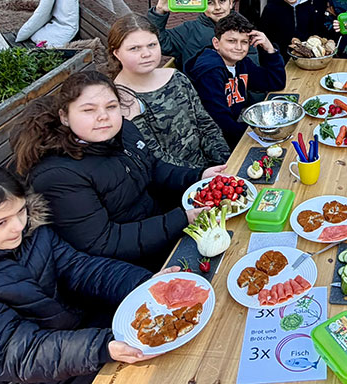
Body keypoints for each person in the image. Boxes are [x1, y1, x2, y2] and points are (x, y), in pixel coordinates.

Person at [0, 163, 160, 384]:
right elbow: (12, 355)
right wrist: (101, 346)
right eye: (0, 222)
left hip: (66, 343)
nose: (18, 226)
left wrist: (145, 283)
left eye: (20, 211)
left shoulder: (29, 233)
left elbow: (81, 269)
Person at [13, 71, 225, 269]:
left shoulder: (125, 130)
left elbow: (153, 168)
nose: (103, 116)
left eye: (111, 106)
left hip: (164, 233)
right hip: (131, 266)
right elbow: (103, 241)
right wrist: (181, 219)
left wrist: (199, 176)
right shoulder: (57, 175)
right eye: (88, 110)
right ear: (65, 117)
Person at [107, 14, 231, 169]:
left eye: (152, 45)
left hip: (209, 170)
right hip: (174, 181)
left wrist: (226, 163)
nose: (146, 54)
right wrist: (201, 175)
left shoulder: (176, 77)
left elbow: (205, 124)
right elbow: (154, 157)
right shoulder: (119, 99)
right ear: (116, 53)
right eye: (134, 48)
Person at [186, 13, 287, 147]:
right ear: (216, 43)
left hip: (232, 127)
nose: (239, 47)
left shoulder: (240, 63)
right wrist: (255, 136)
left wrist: (269, 48)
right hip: (212, 139)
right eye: (231, 41)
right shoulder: (210, 72)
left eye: (244, 42)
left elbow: (275, 82)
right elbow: (220, 121)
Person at [147, 0, 232, 73]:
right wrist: (159, 12)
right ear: (200, 4)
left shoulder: (242, 28)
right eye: (209, 2)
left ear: (231, 3)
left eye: (222, 1)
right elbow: (160, 43)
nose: (217, 7)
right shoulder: (189, 30)